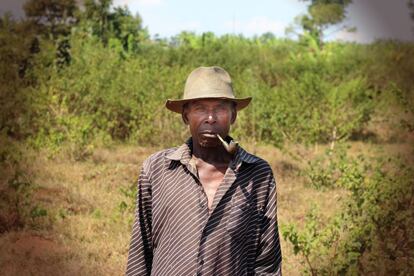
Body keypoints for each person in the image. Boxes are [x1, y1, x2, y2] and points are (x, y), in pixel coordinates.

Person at [126, 66, 282, 275]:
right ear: (185, 115)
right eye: (200, 108)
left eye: (220, 109)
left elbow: (267, 261)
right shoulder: (157, 169)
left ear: (233, 115)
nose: (211, 118)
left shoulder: (258, 174)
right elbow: (140, 251)